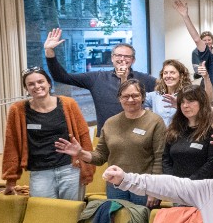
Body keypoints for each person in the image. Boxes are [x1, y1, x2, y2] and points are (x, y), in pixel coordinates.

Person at [55, 78, 163, 206]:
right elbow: (100, 156)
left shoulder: (155, 121)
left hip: (143, 187)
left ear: (143, 97)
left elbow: (160, 158)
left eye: (135, 96)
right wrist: (80, 153)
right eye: (126, 96)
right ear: (119, 98)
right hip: (115, 186)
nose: (130, 100)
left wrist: (155, 190)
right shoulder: (110, 123)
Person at [1, 67, 94, 200]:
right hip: (40, 172)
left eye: (40, 82)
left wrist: (88, 168)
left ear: (49, 83)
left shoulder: (68, 104)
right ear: (26, 88)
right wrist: (11, 179)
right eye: (31, 84)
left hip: (70, 169)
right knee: (44, 215)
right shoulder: (17, 110)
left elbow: (83, 136)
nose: (37, 86)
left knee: (72, 214)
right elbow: (12, 144)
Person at [43, 28, 155, 126]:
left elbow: (167, 86)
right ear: (112, 58)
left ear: (133, 60)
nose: (122, 59)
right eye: (118, 55)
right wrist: (49, 52)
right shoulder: (97, 78)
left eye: (127, 56)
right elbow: (61, 77)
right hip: (106, 136)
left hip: (138, 134)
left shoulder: (144, 79)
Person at [163, 84, 213, 180]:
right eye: (182, 102)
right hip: (177, 188)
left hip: (205, 187)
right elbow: (165, 159)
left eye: (190, 101)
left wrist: (190, 183)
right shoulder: (174, 127)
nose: (185, 106)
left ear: (202, 102)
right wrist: (173, 182)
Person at [145, 59, 190, 127]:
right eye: (165, 73)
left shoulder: (188, 95)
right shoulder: (155, 95)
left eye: (172, 72)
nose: (168, 76)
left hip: (181, 135)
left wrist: (179, 106)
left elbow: (198, 115)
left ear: (181, 76)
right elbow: (134, 98)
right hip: (159, 135)